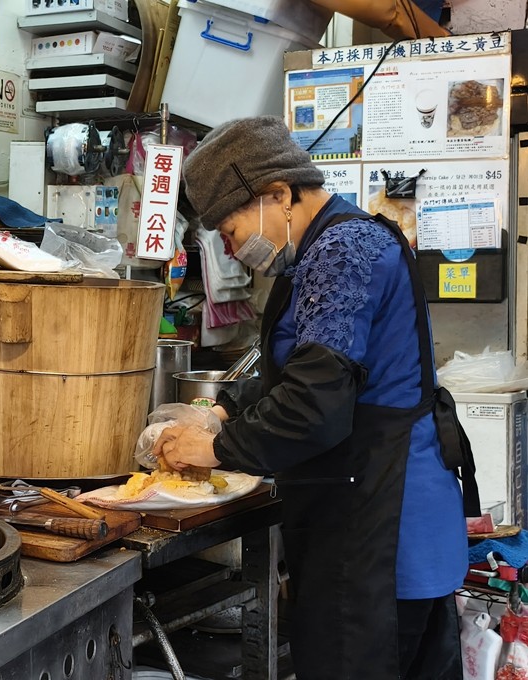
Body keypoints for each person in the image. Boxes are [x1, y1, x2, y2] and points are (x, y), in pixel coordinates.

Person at [158, 116, 478, 679]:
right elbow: (308, 370)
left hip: (382, 530)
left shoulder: (343, 251)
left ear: (277, 194)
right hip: (371, 511)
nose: (231, 252)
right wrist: (227, 407)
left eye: (230, 232)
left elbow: (314, 405)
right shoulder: (319, 250)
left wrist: (214, 449)